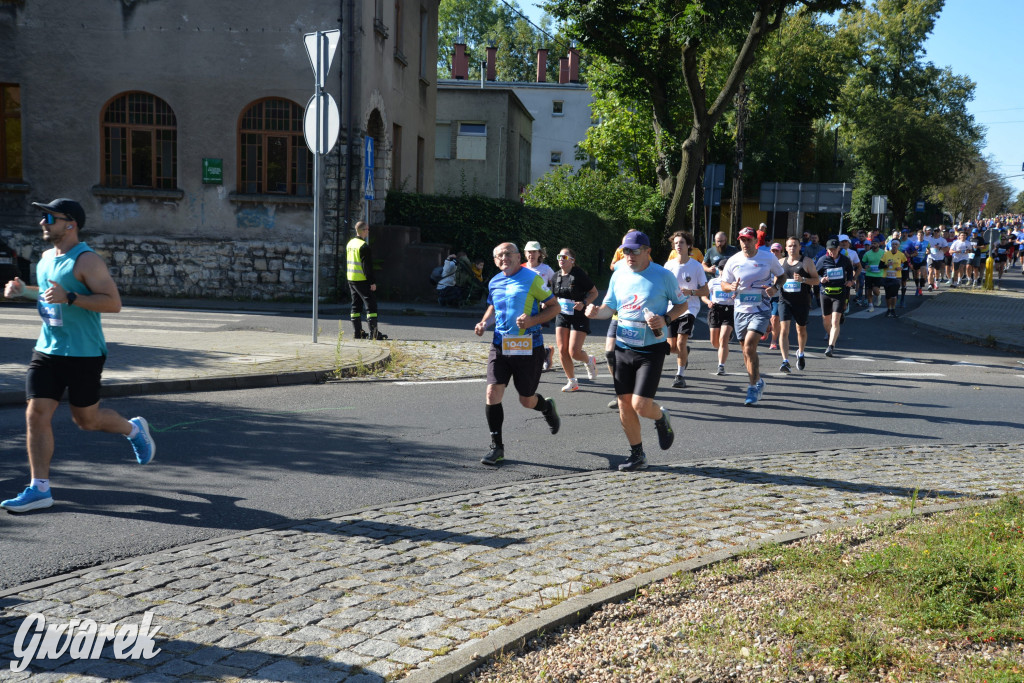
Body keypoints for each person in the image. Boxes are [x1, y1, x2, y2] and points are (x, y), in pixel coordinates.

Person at [1, 198, 155, 513]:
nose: (42, 222)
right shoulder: (45, 258)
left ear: (70, 224)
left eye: (49, 217)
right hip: (47, 350)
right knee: (35, 414)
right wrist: (23, 291)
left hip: (83, 353)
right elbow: (49, 295)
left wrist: (71, 297)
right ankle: (39, 489)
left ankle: (134, 429)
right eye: (42, 217)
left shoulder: (87, 261)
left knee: (87, 420)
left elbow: (112, 303)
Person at [585, 231, 684, 471]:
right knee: (624, 404)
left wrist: (665, 319)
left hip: (651, 349)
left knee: (641, 405)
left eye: (635, 251)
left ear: (648, 251)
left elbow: (682, 304)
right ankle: (637, 455)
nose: (629, 255)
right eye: (626, 251)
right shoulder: (619, 273)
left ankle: (660, 417)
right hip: (623, 347)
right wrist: (595, 312)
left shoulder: (663, 275)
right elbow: (609, 308)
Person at [474, 242, 561, 466]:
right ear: (495, 261)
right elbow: (493, 306)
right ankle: (497, 447)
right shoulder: (494, 281)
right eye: (499, 256)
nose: (504, 258)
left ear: (517, 256)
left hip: (528, 347)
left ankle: (546, 407)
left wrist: (532, 320)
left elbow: (554, 307)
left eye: (508, 254)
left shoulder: (532, 279)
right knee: (492, 393)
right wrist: (484, 323)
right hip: (500, 345)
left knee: (526, 400)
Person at [720, 227, 787, 406]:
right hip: (740, 310)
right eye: (742, 240)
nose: (745, 243)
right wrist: (730, 287)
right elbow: (724, 283)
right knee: (746, 351)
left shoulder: (768, 258)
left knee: (750, 346)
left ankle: (752, 388)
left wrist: (775, 288)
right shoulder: (733, 260)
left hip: (761, 309)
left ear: (755, 241)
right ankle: (758, 381)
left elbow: (782, 276)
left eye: (748, 240)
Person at [550, 247, 599, 392]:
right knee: (562, 349)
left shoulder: (579, 275)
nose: (561, 259)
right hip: (562, 315)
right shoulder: (555, 276)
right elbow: (553, 296)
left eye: (564, 257)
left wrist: (584, 303)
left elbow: (594, 293)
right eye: (559, 256)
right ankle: (572, 381)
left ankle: (589, 360)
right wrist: (547, 303)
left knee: (574, 352)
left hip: (579, 315)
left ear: (572, 260)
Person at [663, 231, 709, 388]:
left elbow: (705, 290)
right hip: (671, 308)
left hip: (690, 308)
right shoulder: (668, 265)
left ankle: (680, 376)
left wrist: (691, 292)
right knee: (672, 347)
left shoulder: (696, 266)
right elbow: (662, 287)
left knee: (681, 341)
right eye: (676, 243)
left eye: (681, 242)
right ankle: (684, 352)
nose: (678, 245)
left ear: (688, 245)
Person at [777, 236, 819, 372]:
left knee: (801, 329)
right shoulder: (781, 262)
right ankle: (785, 361)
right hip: (785, 300)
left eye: (795, 245)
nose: (792, 248)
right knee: (784, 329)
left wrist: (803, 279)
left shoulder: (807, 261)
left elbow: (816, 280)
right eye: (789, 245)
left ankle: (800, 353)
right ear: (785, 248)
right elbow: (776, 281)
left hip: (802, 301)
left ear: (800, 247)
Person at [346, 221, 386, 340]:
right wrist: (372, 282)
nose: (368, 231)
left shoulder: (350, 243)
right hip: (362, 280)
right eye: (367, 229)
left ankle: (357, 332)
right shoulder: (363, 246)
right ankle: (374, 333)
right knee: (371, 305)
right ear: (363, 231)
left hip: (351, 278)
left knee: (355, 305)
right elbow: (367, 267)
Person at [816, 237, 856, 358]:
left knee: (835, 321)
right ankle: (831, 334)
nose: (832, 252)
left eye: (834, 249)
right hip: (825, 293)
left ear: (839, 248)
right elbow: (815, 274)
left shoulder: (845, 260)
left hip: (839, 293)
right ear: (827, 250)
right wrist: (821, 279)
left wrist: (850, 281)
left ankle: (831, 346)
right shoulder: (822, 260)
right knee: (826, 321)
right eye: (830, 249)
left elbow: (851, 272)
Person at [524, 241, 556, 369]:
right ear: (525, 254)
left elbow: (556, 285)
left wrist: (548, 301)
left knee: (534, 334)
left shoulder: (546, 269)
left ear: (539, 254)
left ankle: (536, 359)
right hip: (524, 307)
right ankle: (545, 353)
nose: (531, 254)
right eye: (529, 252)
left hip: (540, 308)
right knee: (526, 334)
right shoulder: (521, 268)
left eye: (534, 252)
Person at [701, 268, 735, 376]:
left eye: (725, 269)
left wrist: (736, 296)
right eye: (721, 269)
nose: (722, 271)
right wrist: (708, 302)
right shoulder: (713, 281)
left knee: (723, 339)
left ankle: (721, 366)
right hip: (715, 310)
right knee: (715, 342)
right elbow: (703, 295)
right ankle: (724, 343)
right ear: (718, 270)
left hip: (730, 310)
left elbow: (742, 294)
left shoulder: (734, 282)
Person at [879, 238, 908, 318]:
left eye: (896, 244)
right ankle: (889, 309)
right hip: (886, 277)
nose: (894, 246)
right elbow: (880, 266)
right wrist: (886, 265)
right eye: (893, 244)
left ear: (898, 246)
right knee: (888, 294)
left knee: (894, 294)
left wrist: (901, 267)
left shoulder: (901, 254)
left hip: (896, 277)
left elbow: (906, 264)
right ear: (891, 245)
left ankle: (893, 309)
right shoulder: (886, 254)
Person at [860, 238, 885, 311]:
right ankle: (870, 305)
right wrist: (865, 266)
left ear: (878, 244)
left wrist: (883, 266)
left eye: (875, 243)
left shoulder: (883, 253)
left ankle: (878, 295)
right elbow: (862, 262)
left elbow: (886, 262)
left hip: (879, 274)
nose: (873, 245)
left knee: (875, 290)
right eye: (872, 243)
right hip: (869, 274)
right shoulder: (867, 253)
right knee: (869, 290)